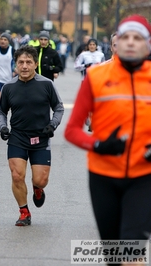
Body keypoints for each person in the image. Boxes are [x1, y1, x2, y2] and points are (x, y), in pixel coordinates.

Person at [64, 15, 151, 259]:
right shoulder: (95, 76)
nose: (131, 42)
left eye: (138, 38)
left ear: (148, 45)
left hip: (144, 176)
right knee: (114, 256)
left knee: (131, 254)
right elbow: (72, 130)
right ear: (115, 44)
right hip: (103, 177)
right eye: (125, 37)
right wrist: (99, 145)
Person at [0, 45, 64, 226]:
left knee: (40, 179)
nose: (24, 66)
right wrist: (2, 127)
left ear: (35, 64)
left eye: (28, 62)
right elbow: (1, 112)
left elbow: (58, 108)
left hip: (41, 137)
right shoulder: (8, 87)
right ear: (16, 65)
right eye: (21, 62)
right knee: (17, 175)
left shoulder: (46, 84)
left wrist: (53, 125)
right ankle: (24, 212)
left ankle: (38, 188)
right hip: (17, 137)